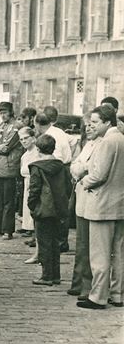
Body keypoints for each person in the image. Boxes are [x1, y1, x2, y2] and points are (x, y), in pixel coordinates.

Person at [77, 105, 124, 309]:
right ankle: (117, 294)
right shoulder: (122, 139)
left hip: (102, 205)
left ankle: (98, 296)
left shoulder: (107, 142)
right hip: (119, 204)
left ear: (107, 122)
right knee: (119, 253)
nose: (92, 125)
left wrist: (83, 181)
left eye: (96, 122)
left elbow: (99, 175)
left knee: (100, 255)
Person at [27, 134, 72, 286]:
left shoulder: (37, 167)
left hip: (43, 209)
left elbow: (34, 190)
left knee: (44, 243)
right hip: (59, 209)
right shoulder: (61, 166)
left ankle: (46, 276)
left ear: (38, 149)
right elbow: (68, 187)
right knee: (55, 242)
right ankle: (56, 275)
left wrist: (32, 206)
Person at [67, 116, 101, 299]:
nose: (88, 128)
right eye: (86, 125)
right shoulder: (87, 144)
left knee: (90, 245)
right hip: (81, 196)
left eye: (92, 124)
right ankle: (78, 282)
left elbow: (88, 168)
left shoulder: (102, 144)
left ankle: (87, 285)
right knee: (81, 243)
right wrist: (79, 168)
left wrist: (80, 169)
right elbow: (75, 165)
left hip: (92, 197)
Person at [35, 110, 72, 252]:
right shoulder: (59, 131)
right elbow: (73, 142)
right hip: (63, 168)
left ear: (38, 124)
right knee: (62, 205)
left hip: (55, 170)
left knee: (55, 205)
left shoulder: (49, 136)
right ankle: (59, 240)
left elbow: (53, 157)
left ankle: (59, 241)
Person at [0, 102, 24, 239]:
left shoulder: (17, 127)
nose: (2, 115)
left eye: (5, 113)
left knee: (9, 200)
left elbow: (8, 146)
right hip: (0, 167)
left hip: (11, 166)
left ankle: (7, 229)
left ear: (11, 112)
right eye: (1, 113)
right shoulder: (1, 126)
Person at [18, 127, 39, 263]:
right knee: (28, 212)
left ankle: (38, 240)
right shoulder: (25, 154)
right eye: (21, 139)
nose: (23, 141)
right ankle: (33, 235)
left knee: (35, 212)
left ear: (33, 137)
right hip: (27, 183)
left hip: (34, 184)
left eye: (26, 138)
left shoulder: (37, 153)